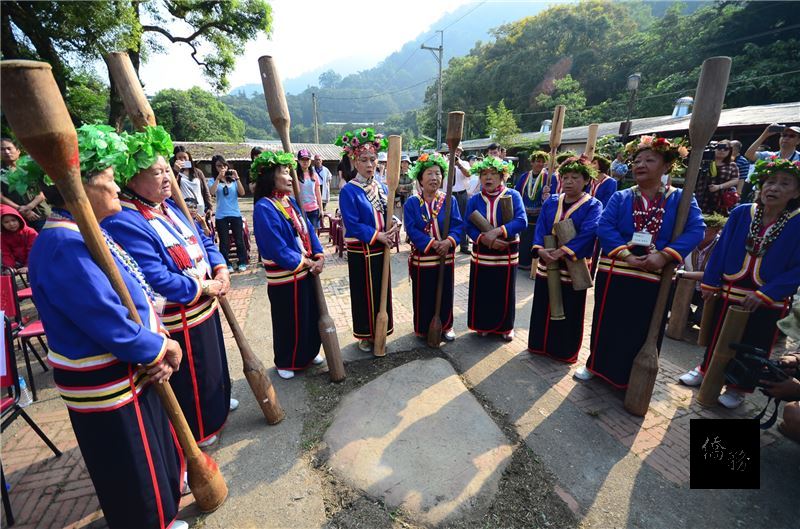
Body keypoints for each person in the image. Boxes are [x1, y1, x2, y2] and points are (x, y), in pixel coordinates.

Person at [26, 124, 187, 529]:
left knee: (151, 445)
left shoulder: (85, 232)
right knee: (131, 461)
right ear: (81, 189)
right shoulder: (63, 245)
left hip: (130, 364)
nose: (117, 188)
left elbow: (131, 292)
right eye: (109, 180)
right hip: (107, 377)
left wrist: (156, 337)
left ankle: (165, 508)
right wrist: (159, 348)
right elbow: (108, 320)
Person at [102, 126, 234, 447]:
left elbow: (202, 238)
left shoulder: (169, 207)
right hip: (181, 317)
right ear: (132, 180)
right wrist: (203, 288)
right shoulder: (125, 220)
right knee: (194, 378)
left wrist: (219, 267)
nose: (167, 178)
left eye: (168, 170)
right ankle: (199, 428)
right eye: (157, 172)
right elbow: (155, 276)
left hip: (206, 306)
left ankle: (217, 409)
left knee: (214, 369)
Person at [576, 136, 704, 387]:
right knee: (607, 321)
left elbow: (695, 229)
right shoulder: (621, 197)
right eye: (637, 160)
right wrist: (627, 255)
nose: (640, 164)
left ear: (667, 165)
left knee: (643, 326)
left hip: (655, 274)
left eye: (649, 159)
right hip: (617, 270)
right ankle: (596, 365)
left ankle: (630, 378)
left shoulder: (680, 197)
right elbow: (605, 227)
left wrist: (664, 255)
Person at [679, 156, 800, 409]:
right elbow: (721, 250)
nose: (774, 188)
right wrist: (710, 284)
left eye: (784, 183)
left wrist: (768, 293)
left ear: (797, 191)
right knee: (716, 334)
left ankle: (739, 388)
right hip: (730, 289)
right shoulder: (742, 212)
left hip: (766, 298)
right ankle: (705, 370)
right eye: (770, 181)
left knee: (755, 343)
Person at [251, 151, 326, 379]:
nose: (291, 177)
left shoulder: (291, 202)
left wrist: (320, 254)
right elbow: (276, 247)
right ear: (270, 177)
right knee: (287, 321)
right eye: (285, 172)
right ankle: (287, 360)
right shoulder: (264, 207)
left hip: (305, 272)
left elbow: (308, 230)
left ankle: (309, 352)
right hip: (285, 277)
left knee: (308, 316)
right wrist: (304, 261)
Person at [528, 157, 602, 362]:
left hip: (573, 265)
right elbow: (541, 227)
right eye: (565, 177)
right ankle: (539, 344)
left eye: (575, 177)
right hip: (548, 261)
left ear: (586, 180)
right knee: (544, 303)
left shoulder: (593, 205)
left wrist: (563, 251)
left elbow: (590, 232)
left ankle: (563, 351)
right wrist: (540, 249)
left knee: (570, 308)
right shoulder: (552, 201)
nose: (569, 182)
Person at [335, 128, 399, 352]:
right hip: (362, 251)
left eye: (373, 159)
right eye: (364, 160)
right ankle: (365, 334)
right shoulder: (349, 191)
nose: (370, 164)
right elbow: (352, 224)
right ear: (354, 161)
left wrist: (394, 223)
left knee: (382, 290)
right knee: (364, 294)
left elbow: (385, 211)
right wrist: (378, 235)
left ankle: (382, 330)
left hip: (381, 249)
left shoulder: (381, 186)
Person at [403, 153, 464, 342]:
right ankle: (422, 328)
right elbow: (411, 229)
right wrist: (432, 244)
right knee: (423, 293)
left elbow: (458, 225)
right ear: (420, 178)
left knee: (445, 292)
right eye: (429, 173)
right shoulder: (412, 202)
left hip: (445, 256)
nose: (434, 178)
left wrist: (449, 242)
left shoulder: (449, 200)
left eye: (438, 174)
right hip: (424, 257)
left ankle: (446, 326)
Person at [464, 157, 527, 341]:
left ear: (502, 176)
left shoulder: (513, 195)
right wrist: (484, 238)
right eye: (484, 174)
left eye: (493, 174)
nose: (488, 178)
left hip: (507, 251)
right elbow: (468, 225)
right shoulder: (475, 199)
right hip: (483, 251)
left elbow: (521, 221)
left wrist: (499, 231)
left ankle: (506, 327)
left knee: (504, 289)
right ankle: (483, 325)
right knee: (483, 289)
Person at [675, 212, 726, 326]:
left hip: (710, 291)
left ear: (716, 231)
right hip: (688, 287)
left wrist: (683, 273)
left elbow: (713, 275)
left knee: (700, 320)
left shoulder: (721, 247)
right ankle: (686, 316)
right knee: (668, 289)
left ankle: (695, 317)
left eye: (705, 230)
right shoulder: (689, 240)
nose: (700, 232)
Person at [516, 151, 557, 270]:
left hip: (540, 214)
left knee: (535, 237)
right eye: (538, 161)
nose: (540, 164)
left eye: (543, 161)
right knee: (524, 237)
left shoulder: (550, 178)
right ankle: (522, 261)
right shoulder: (524, 176)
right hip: (525, 212)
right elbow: (518, 192)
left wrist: (548, 195)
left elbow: (554, 195)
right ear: (532, 162)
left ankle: (533, 264)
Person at [209, 154, 248, 272]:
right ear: (214, 167)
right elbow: (212, 192)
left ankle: (242, 261)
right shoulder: (212, 180)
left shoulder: (233, 179)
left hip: (235, 213)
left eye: (224, 165)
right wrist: (218, 179)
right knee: (224, 241)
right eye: (219, 166)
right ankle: (227, 263)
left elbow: (242, 193)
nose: (222, 168)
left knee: (239, 239)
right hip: (221, 215)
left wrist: (237, 178)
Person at [1, 137, 48, 231]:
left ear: (18, 151)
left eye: (9, 148)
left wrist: (28, 207)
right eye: (2, 149)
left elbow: (44, 190)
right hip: (16, 219)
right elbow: (1, 197)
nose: (6, 152)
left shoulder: (32, 166)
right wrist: (21, 210)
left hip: (41, 213)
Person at [696, 140, 740, 215]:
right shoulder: (703, 162)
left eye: (726, 149)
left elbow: (735, 180)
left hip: (721, 198)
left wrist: (719, 187)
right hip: (702, 195)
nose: (722, 150)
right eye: (719, 148)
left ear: (730, 151)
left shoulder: (732, 165)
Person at [172, 146, 212, 218]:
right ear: (175, 159)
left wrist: (210, 207)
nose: (183, 160)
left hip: (200, 207)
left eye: (185, 157)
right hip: (184, 208)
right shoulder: (173, 172)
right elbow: (172, 187)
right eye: (179, 158)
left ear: (189, 157)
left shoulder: (198, 172)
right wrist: (175, 171)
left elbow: (206, 191)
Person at [1, 204, 38, 271]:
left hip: (36, 262)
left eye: (14, 220)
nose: (11, 224)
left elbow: (34, 251)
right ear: (2, 224)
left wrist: (28, 266)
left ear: (19, 219)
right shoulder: (3, 237)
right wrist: (10, 268)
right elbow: (6, 254)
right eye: (6, 222)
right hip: (19, 264)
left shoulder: (30, 232)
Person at [452, 145, 472, 254]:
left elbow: (468, 173)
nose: (457, 152)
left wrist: (458, 164)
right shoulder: (444, 162)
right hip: (448, 194)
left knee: (463, 219)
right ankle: (450, 244)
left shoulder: (465, 163)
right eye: (455, 150)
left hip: (461, 194)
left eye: (459, 151)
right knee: (448, 219)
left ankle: (464, 245)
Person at [296, 149, 323, 230]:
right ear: (298, 161)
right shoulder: (295, 175)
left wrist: (321, 209)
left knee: (313, 235)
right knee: (303, 234)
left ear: (310, 161)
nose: (305, 162)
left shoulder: (314, 175)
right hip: (301, 210)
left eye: (307, 159)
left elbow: (318, 194)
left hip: (314, 210)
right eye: (302, 159)